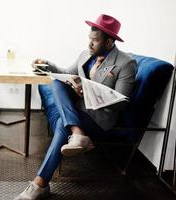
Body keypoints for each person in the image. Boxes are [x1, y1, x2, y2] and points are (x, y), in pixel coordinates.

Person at [14, 14, 137, 200]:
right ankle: (77, 133)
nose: (90, 44)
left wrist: (88, 92)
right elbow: (66, 73)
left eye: (95, 41)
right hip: (80, 111)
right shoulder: (85, 54)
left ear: (109, 42)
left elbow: (122, 102)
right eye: (89, 38)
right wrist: (47, 65)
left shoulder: (125, 63)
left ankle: (40, 184)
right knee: (56, 83)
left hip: (101, 118)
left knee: (61, 127)